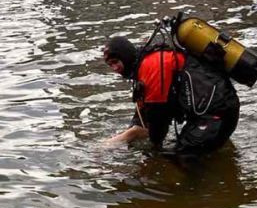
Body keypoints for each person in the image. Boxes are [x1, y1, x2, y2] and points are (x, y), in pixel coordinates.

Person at [102, 35, 240, 155]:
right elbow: (145, 111)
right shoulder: (145, 64)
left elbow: (158, 115)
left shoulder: (151, 66)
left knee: (181, 160)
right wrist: (132, 133)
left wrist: (154, 148)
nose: (114, 68)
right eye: (110, 65)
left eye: (115, 62)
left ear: (125, 57)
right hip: (217, 110)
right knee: (181, 153)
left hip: (218, 112)